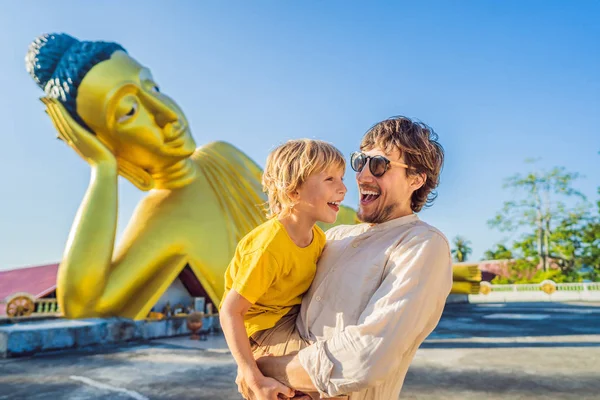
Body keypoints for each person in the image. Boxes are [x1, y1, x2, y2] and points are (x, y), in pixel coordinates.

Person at [25, 33, 357, 320]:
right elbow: (83, 305)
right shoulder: (163, 215)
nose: (167, 114)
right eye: (128, 111)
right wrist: (102, 169)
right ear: (104, 142)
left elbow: (300, 206)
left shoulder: (221, 156)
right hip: (267, 330)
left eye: (152, 86)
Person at [240, 116, 453, 400]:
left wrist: (260, 368)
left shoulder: (422, 244)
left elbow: (367, 355)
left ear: (415, 179)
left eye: (379, 165)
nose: (363, 176)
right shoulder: (333, 237)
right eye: (359, 162)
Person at [219, 139, 348, 400]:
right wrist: (249, 373)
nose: (343, 189)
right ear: (293, 192)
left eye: (342, 178)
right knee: (327, 379)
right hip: (262, 329)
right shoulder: (270, 245)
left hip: (293, 319)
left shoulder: (319, 239)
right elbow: (230, 311)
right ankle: (261, 368)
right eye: (330, 179)